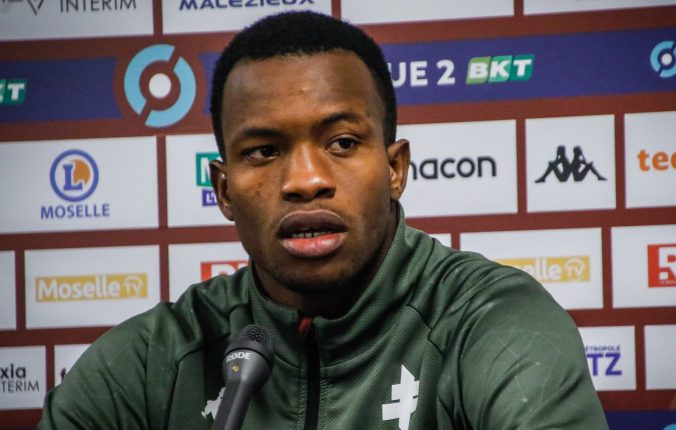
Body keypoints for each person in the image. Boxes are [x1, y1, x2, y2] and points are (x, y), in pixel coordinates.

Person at [39, 11, 608, 429]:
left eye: (342, 142)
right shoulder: (157, 357)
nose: (306, 180)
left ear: (394, 169)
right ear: (224, 191)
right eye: (264, 151)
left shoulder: (489, 320)